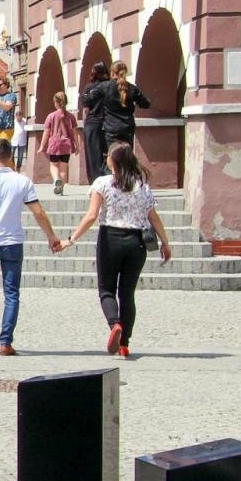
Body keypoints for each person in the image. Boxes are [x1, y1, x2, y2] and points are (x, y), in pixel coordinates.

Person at [61, 142, 172, 359]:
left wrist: (70, 240)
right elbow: (153, 217)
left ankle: (114, 325)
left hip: (110, 239)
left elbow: (91, 215)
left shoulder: (102, 183)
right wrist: (165, 243)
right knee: (127, 293)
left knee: (106, 290)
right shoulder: (141, 186)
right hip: (136, 242)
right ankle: (124, 345)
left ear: (113, 160)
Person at [0, 138, 64, 356]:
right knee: (12, 293)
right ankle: (6, 342)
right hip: (13, 243)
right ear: (10, 157)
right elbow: (38, 212)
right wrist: (51, 236)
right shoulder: (22, 182)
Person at [91, 60, 151, 155]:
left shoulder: (104, 87)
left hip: (111, 129)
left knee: (113, 157)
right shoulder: (132, 88)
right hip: (127, 128)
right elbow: (146, 104)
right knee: (127, 157)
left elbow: (87, 100)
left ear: (112, 72)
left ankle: (115, 170)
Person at [80, 61, 113, 182]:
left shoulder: (89, 88)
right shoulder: (111, 86)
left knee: (93, 155)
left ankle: (95, 181)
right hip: (109, 122)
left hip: (92, 123)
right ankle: (110, 179)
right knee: (109, 153)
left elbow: (85, 106)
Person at [42, 91, 78, 195]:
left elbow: (46, 132)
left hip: (54, 143)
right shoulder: (71, 116)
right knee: (63, 167)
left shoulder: (51, 116)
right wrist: (78, 146)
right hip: (67, 144)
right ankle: (61, 188)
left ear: (56, 103)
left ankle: (56, 179)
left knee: (53, 165)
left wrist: (42, 146)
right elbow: (74, 132)